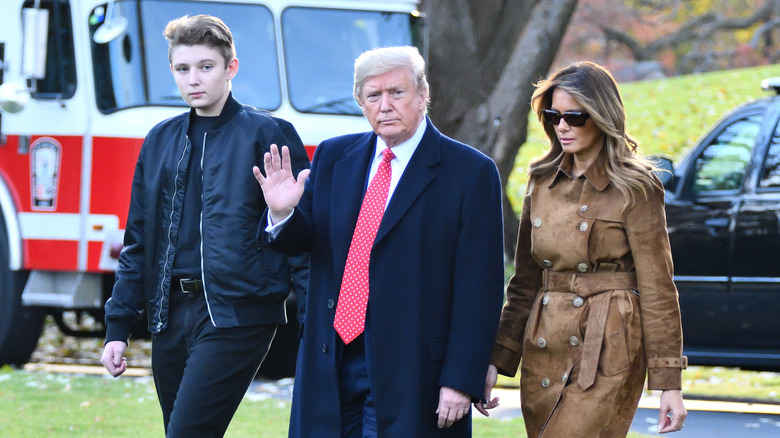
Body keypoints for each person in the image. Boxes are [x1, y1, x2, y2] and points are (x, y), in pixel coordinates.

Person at [254, 46, 505, 437]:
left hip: (413, 369)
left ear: (423, 95)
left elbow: (481, 288)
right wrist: (283, 213)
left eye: (397, 92)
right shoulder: (334, 156)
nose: (385, 105)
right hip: (331, 360)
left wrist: (461, 378)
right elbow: (305, 242)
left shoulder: (471, 172)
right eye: (373, 95)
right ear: (360, 102)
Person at [100, 14, 309, 437]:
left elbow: (307, 241)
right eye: (182, 68)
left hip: (238, 314)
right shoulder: (160, 139)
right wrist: (117, 327)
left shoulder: (269, 134)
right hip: (169, 316)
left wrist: (312, 326)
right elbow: (138, 239)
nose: (193, 79)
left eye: (206, 67)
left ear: (231, 68)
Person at [478, 61, 688, 436]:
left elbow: (658, 286)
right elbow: (525, 282)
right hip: (545, 347)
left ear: (602, 116)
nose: (562, 126)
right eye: (554, 115)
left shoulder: (636, 186)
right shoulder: (541, 181)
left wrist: (669, 381)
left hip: (608, 349)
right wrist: (498, 358)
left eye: (575, 116)